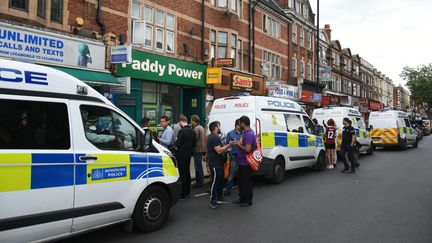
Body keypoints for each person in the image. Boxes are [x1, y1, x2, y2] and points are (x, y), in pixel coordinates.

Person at [207, 121, 234, 209]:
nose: (220, 128)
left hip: (219, 163)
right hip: (215, 164)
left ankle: (219, 197)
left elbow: (220, 149)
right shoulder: (214, 137)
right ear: (215, 128)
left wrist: (226, 149)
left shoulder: (214, 137)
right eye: (219, 126)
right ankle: (213, 200)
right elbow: (218, 150)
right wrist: (229, 145)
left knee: (219, 181)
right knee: (215, 182)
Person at [232, 116, 256, 207]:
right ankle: (242, 198)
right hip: (242, 162)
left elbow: (248, 149)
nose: (239, 125)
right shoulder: (245, 133)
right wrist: (238, 143)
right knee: (241, 182)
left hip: (246, 163)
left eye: (240, 123)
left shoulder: (249, 134)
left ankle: (247, 201)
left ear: (243, 123)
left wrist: (238, 144)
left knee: (246, 182)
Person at [175, 116, 197, 200]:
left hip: (181, 154)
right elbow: (194, 144)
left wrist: (177, 141)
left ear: (181, 122)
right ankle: (188, 192)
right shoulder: (193, 131)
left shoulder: (181, 131)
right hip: (189, 154)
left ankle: (183, 194)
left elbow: (177, 144)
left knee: (182, 173)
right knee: (187, 172)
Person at [224, 119, 242, 196]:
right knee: (231, 175)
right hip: (234, 157)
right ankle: (228, 190)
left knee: (242, 175)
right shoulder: (230, 134)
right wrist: (229, 154)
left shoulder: (244, 133)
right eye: (240, 125)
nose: (241, 126)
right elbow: (227, 146)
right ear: (237, 125)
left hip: (242, 157)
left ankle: (241, 191)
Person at [191, 114, 206, 187]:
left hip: (197, 149)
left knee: (197, 166)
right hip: (201, 149)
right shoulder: (201, 127)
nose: (191, 122)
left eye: (191, 120)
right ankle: (200, 181)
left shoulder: (196, 128)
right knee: (199, 165)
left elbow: (194, 139)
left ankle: (200, 182)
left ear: (194, 121)